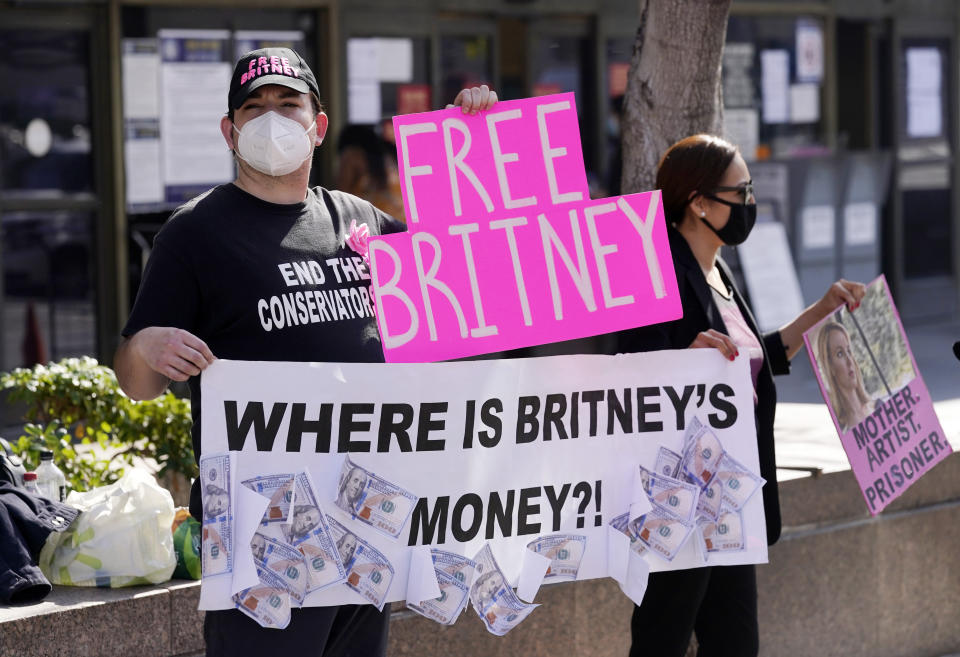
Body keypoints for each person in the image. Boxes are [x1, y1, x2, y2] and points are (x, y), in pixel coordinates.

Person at [112, 45, 497, 657]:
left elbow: (471, 276)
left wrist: (471, 146)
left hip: (364, 521)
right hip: (263, 538)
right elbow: (136, 380)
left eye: (288, 104)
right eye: (254, 107)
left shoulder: (361, 222)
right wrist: (148, 346)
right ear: (229, 131)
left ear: (317, 126)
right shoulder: (193, 235)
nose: (271, 118)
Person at [617, 134, 866, 657]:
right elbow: (635, 370)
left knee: (735, 644)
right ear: (699, 202)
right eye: (740, 191)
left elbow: (756, 362)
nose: (749, 203)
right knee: (663, 638)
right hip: (682, 501)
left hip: (733, 499)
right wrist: (687, 353)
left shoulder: (720, 270)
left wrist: (822, 311)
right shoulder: (661, 271)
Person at [816, 320, 875, 433]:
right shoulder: (842, 430)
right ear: (830, 367)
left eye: (849, 351)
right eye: (840, 353)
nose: (849, 360)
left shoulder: (877, 406)